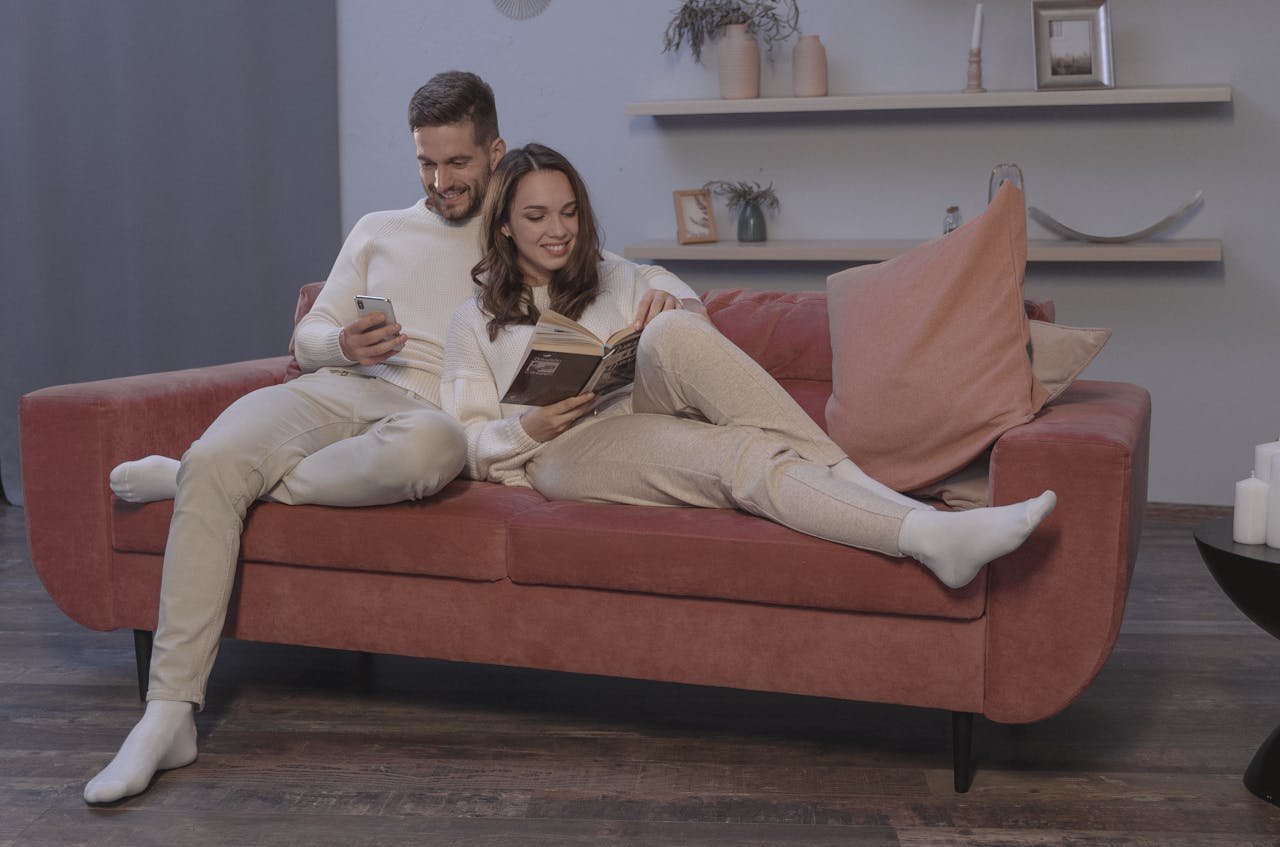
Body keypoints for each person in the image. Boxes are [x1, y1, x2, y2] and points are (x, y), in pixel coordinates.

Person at [86, 74, 698, 805]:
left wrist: (675, 298)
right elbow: (305, 338)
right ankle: (169, 712)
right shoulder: (378, 230)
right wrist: (342, 339)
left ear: (494, 151)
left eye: (458, 164)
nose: (441, 183)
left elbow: (633, 276)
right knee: (223, 451)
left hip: (425, 420)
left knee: (434, 451)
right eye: (425, 164)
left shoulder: (526, 227)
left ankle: (198, 479)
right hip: (338, 389)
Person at [443, 143, 1057, 598]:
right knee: (744, 455)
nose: (559, 231)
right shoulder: (473, 321)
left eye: (569, 212)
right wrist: (531, 430)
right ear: (504, 225)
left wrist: (674, 305)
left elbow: (695, 333)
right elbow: (466, 443)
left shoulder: (616, 272)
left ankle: (889, 503)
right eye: (537, 217)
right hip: (562, 449)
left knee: (678, 326)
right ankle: (921, 530)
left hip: (637, 405)